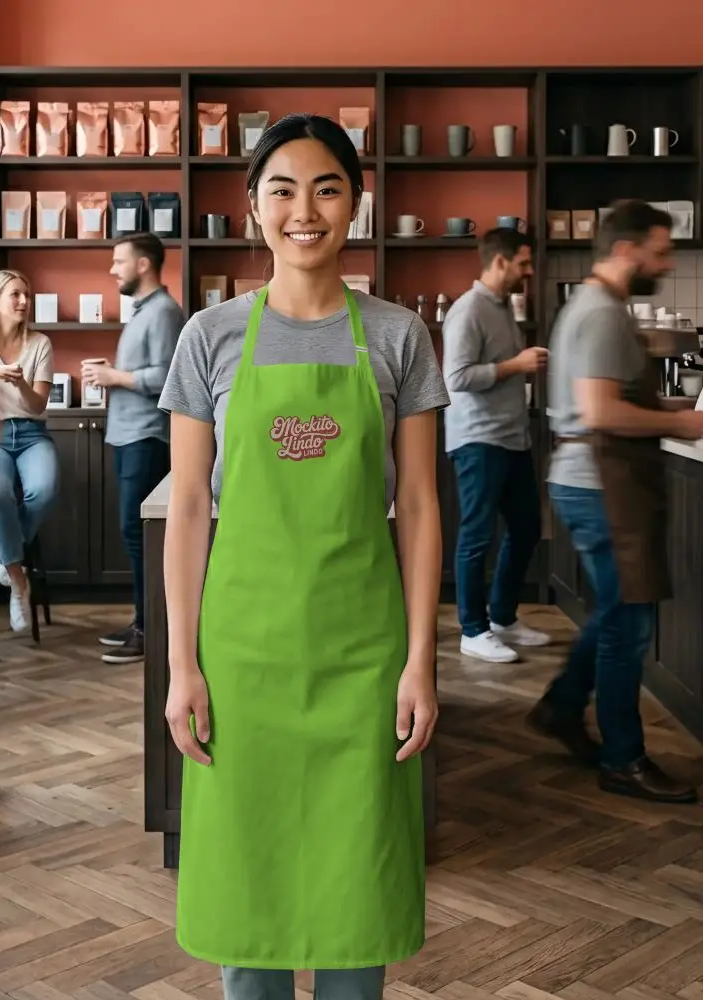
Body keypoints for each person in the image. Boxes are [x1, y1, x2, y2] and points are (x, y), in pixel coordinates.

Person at [159, 113, 446, 1000]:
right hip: (242, 657)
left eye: (326, 187)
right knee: (251, 904)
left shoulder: (400, 336)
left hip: (363, 655)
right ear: (253, 208)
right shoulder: (208, 336)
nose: (304, 209)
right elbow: (191, 509)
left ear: (355, 203)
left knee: (357, 890)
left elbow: (421, 507)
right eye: (282, 189)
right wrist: (181, 664)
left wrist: (421, 660)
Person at [533, 198, 703, 803]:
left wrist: (678, 412)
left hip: (591, 480)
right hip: (598, 483)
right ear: (627, 250)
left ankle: (561, 707)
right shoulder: (602, 313)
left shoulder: (597, 306)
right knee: (628, 623)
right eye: (661, 250)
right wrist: (689, 426)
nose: (667, 260)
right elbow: (601, 411)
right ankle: (623, 759)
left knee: (615, 611)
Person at [442, 227, 550, 663]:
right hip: (477, 440)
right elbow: (456, 378)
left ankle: (503, 616)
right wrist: (515, 365)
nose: (529, 271)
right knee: (477, 536)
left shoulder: (504, 306)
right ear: (499, 261)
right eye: (523, 263)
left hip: (510, 438)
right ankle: (472, 629)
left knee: (526, 528)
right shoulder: (468, 310)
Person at [83, 233, 184, 665]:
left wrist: (114, 378)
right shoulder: (144, 311)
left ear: (143, 265)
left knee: (142, 537)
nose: (112, 269)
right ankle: (141, 621)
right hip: (128, 436)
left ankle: (149, 630)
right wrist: (117, 373)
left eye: (118, 260)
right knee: (134, 536)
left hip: (145, 437)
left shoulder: (163, 312)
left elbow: (166, 379)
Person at [0, 269, 59, 633]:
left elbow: (36, 405)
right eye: (15, 295)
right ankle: (19, 581)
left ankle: (9, 554)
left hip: (31, 433)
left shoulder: (40, 344)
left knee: (45, 490)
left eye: (27, 295)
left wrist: (19, 385)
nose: (23, 302)